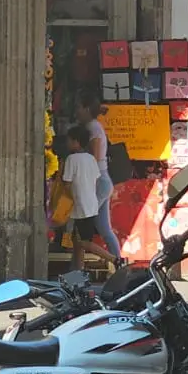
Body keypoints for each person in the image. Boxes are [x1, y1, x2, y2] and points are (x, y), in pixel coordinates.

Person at [73, 89, 123, 264]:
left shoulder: (92, 127)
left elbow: (93, 158)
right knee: (104, 229)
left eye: (78, 107)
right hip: (102, 181)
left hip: (98, 181)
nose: (76, 111)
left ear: (86, 109)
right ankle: (119, 263)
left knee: (80, 229)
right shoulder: (93, 126)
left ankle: (78, 270)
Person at [61, 124, 112, 271]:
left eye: (69, 140)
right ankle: (78, 272)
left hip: (78, 206)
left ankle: (114, 259)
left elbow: (67, 183)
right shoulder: (91, 158)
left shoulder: (71, 159)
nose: (67, 143)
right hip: (90, 205)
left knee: (83, 243)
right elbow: (95, 179)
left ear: (76, 142)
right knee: (78, 243)